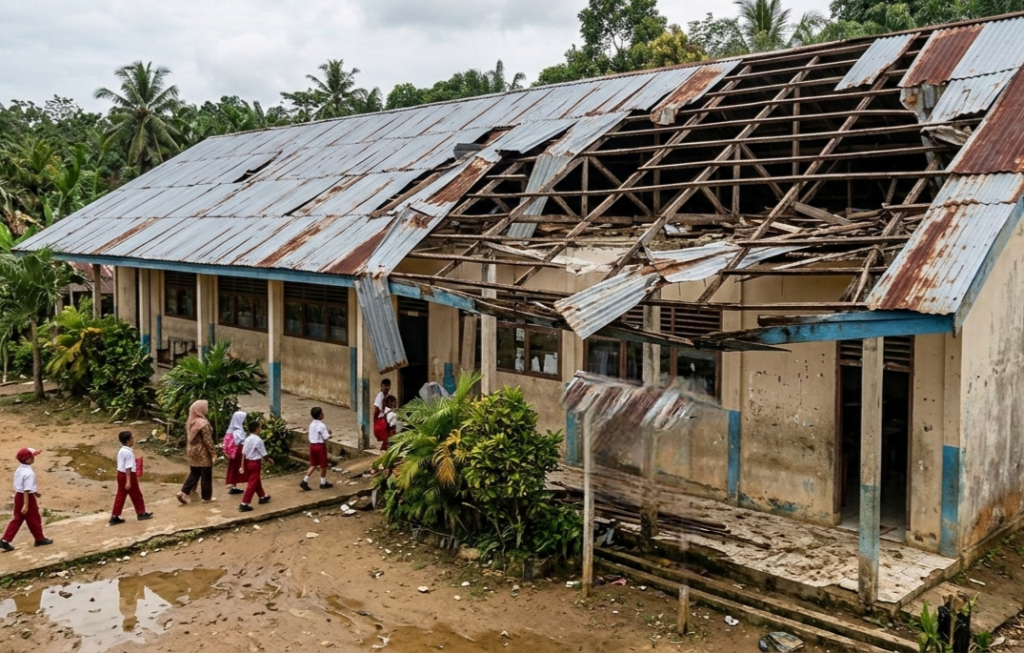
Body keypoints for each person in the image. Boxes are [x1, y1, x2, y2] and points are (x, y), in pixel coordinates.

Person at [0, 448, 52, 551]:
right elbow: (26, 490)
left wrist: (35, 492)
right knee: (34, 518)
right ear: (28, 460)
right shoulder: (29, 473)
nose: (34, 458)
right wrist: (26, 505)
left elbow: (22, 485)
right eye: (32, 456)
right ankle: (39, 538)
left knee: (18, 518)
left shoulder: (20, 469)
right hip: (26, 498)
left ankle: (5, 540)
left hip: (18, 496)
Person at [177, 400, 217, 505]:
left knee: (194, 472)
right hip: (202, 451)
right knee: (206, 473)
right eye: (205, 407)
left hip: (191, 450)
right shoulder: (203, 423)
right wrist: (213, 453)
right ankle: (207, 497)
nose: (207, 409)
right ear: (201, 409)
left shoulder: (191, 421)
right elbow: (208, 440)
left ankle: (183, 492)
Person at [110, 431, 153, 525]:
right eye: (132, 438)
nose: (133, 440)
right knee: (136, 494)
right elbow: (128, 467)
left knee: (120, 495)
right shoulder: (128, 453)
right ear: (128, 441)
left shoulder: (122, 450)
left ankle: (114, 516)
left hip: (120, 474)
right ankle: (141, 513)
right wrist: (128, 481)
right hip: (128, 475)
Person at [239, 418, 274, 512]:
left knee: (256, 480)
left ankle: (262, 496)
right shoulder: (258, 440)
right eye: (260, 427)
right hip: (255, 463)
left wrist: (242, 465)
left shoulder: (247, 439)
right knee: (252, 483)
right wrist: (269, 460)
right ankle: (245, 503)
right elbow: (263, 453)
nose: (260, 429)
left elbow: (244, 453)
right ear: (257, 429)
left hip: (248, 462)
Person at [300, 407, 333, 491]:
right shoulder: (322, 425)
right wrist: (330, 434)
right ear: (320, 415)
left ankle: (305, 480)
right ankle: (323, 483)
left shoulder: (311, 424)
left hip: (312, 446)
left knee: (313, 464)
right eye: (322, 413)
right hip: (320, 446)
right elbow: (326, 437)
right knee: (324, 465)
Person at [223, 411, 247, 495]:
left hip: (233, 452)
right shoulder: (239, 431)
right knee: (243, 467)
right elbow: (241, 442)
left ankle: (234, 486)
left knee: (233, 468)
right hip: (239, 451)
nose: (245, 420)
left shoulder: (230, 430)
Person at [372, 378, 391, 447]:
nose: (385, 388)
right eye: (383, 386)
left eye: (387, 386)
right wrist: (375, 420)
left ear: (389, 387)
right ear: (381, 387)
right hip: (381, 417)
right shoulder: (379, 396)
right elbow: (376, 409)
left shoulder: (389, 395)